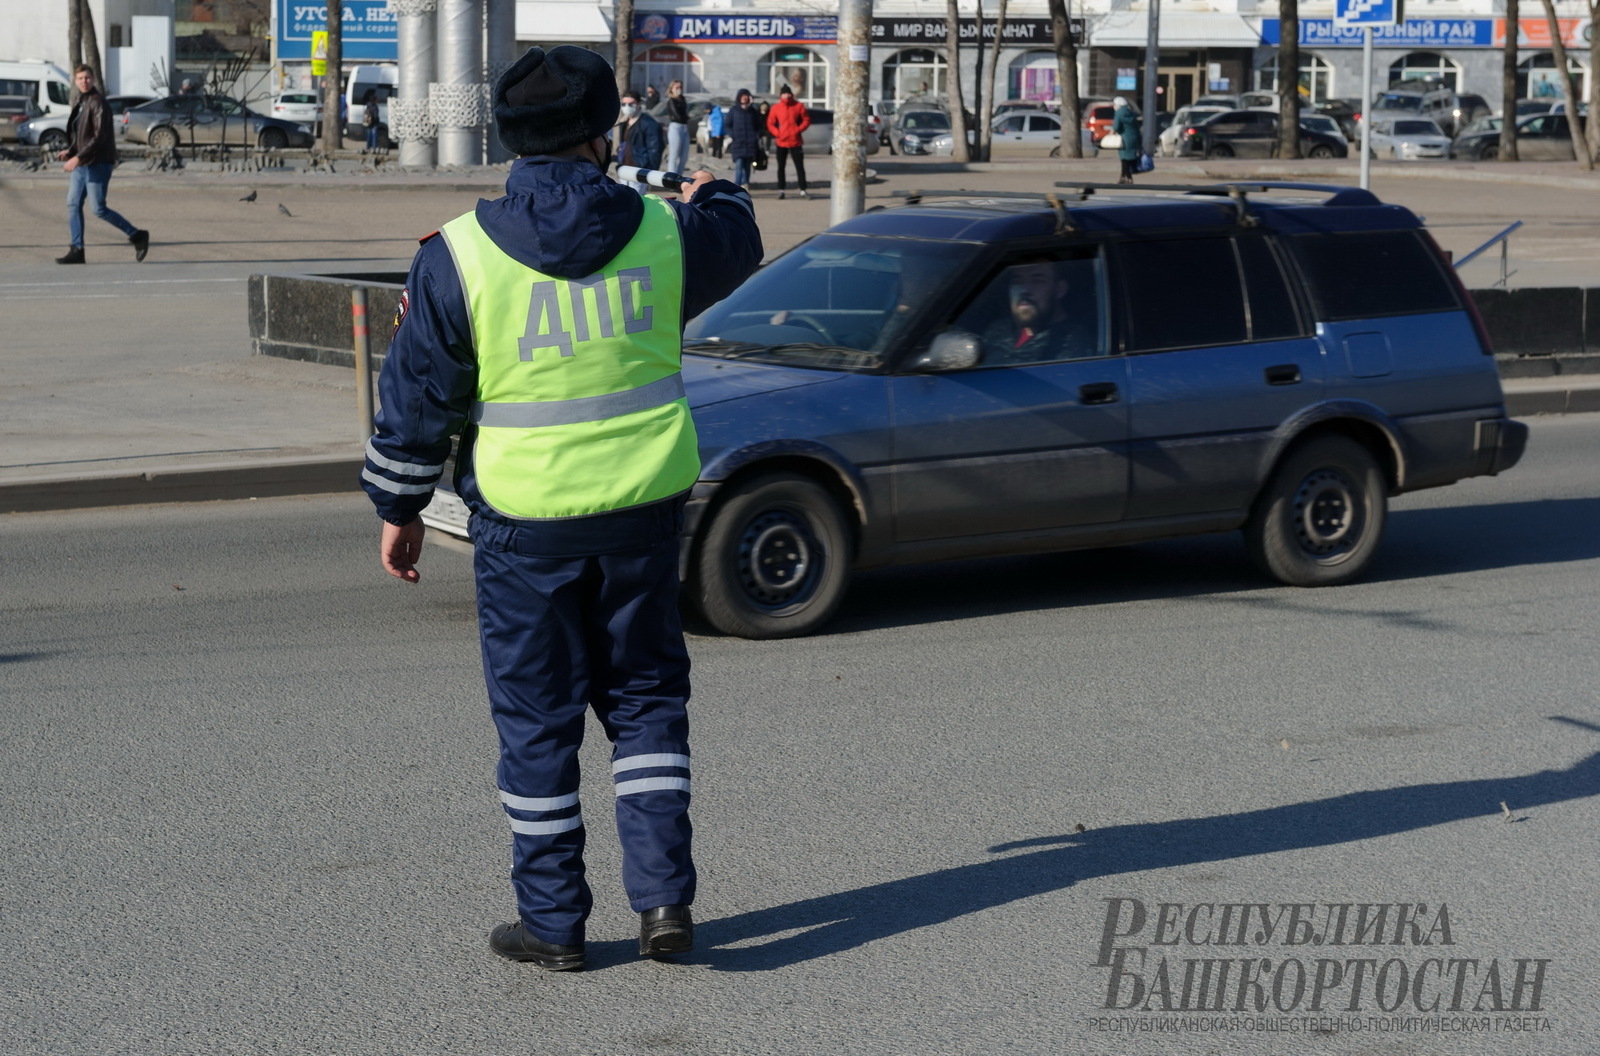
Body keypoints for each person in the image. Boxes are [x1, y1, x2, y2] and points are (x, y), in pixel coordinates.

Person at [361, 44, 762, 972]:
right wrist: (720, 190)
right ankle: (665, 905)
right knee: (648, 707)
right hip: (641, 515)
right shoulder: (666, 232)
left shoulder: (456, 256)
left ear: (508, 136)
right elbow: (738, 240)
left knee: (539, 723)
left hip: (523, 527)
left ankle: (554, 925)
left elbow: (418, 395)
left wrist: (400, 502)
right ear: (606, 131)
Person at [55, 65, 148, 265]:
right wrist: (71, 151)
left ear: (93, 78)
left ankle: (137, 235)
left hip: (97, 163)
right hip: (82, 162)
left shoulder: (99, 103)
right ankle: (77, 249)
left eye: (87, 78)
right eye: (80, 78)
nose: (83, 81)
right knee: (73, 204)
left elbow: (99, 137)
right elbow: (79, 133)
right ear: (75, 81)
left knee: (98, 209)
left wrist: (77, 158)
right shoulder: (81, 101)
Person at [977, 258, 1095, 365]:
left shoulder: (1072, 344)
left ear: (1060, 289)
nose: (1024, 290)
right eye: (1017, 282)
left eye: (1037, 281)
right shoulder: (998, 329)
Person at [766, 84, 810, 200]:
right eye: (784, 93)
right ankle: (781, 190)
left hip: (795, 141)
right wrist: (777, 133)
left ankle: (803, 190)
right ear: (781, 95)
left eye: (788, 93)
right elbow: (770, 123)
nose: (787, 95)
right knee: (781, 167)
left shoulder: (798, 106)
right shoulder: (776, 108)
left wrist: (798, 129)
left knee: (799, 167)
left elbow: (806, 120)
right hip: (781, 141)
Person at [614, 88, 663, 192]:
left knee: (638, 201)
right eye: (624, 104)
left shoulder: (649, 124)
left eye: (631, 104)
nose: (627, 107)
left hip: (639, 169)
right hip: (624, 169)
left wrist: (649, 173)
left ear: (639, 104)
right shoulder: (624, 122)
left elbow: (655, 149)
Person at [726, 88, 761, 189]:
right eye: (743, 96)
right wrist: (733, 135)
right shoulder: (734, 111)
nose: (744, 98)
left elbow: (759, 126)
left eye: (746, 96)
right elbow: (727, 125)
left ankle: (745, 184)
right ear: (739, 98)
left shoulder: (753, 112)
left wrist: (756, 135)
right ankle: (737, 185)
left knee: (747, 166)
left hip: (750, 144)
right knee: (739, 164)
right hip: (738, 143)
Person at [1112, 97, 1142, 184]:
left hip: (1124, 139)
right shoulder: (1131, 113)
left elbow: (1116, 127)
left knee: (1124, 159)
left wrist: (1114, 131)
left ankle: (1126, 177)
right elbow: (1137, 126)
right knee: (1130, 158)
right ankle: (1126, 177)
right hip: (1133, 137)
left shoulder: (1119, 113)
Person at [663, 79, 689, 174]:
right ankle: (672, 176)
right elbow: (677, 115)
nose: (679, 89)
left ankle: (679, 176)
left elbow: (685, 113)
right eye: (677, 87)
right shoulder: (671, 100)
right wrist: (686, 117)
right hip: (676, 126)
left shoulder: (683, 99)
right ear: (672, 89)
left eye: (680, 87)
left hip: (684, 127)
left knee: (684, 155)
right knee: (674, 154)